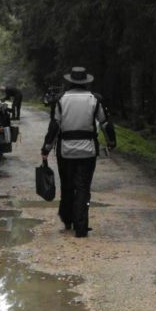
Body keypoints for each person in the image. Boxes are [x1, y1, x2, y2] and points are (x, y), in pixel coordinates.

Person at [41, 66, 115, 238]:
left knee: (67, 185)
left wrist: (46, 148)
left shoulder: (61, 99)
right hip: (88, 151)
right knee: (83, 187)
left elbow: (54, 126)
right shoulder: (94, 99)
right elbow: (105, 123)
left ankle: (68, 220)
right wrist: (111, 142)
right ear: (85, 82)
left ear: (70, 81)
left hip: (65, 151)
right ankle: (81, 227)